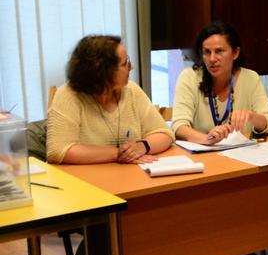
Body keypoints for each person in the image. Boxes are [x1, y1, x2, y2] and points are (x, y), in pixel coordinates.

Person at [172, 21, 268, 255]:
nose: (212, 59)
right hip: (201, 161)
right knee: (208, 197)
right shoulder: (190, 78)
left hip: (240, 161)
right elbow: (178, 126)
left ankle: (241, 253)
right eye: (206, 52)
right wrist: (206, 137)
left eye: (219, 51)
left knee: (241, 191)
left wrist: (253, 118)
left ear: (235, 53)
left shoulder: (250, 78)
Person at [46, 35, 174, 164]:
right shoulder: (68, 95)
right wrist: (119, 153)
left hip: (132, 178)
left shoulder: (131, 90)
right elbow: (58, 151)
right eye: (125, 64)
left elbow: (165, 134)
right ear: (103, 71)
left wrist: (142, 146)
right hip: (85, 180)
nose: (131, 67)